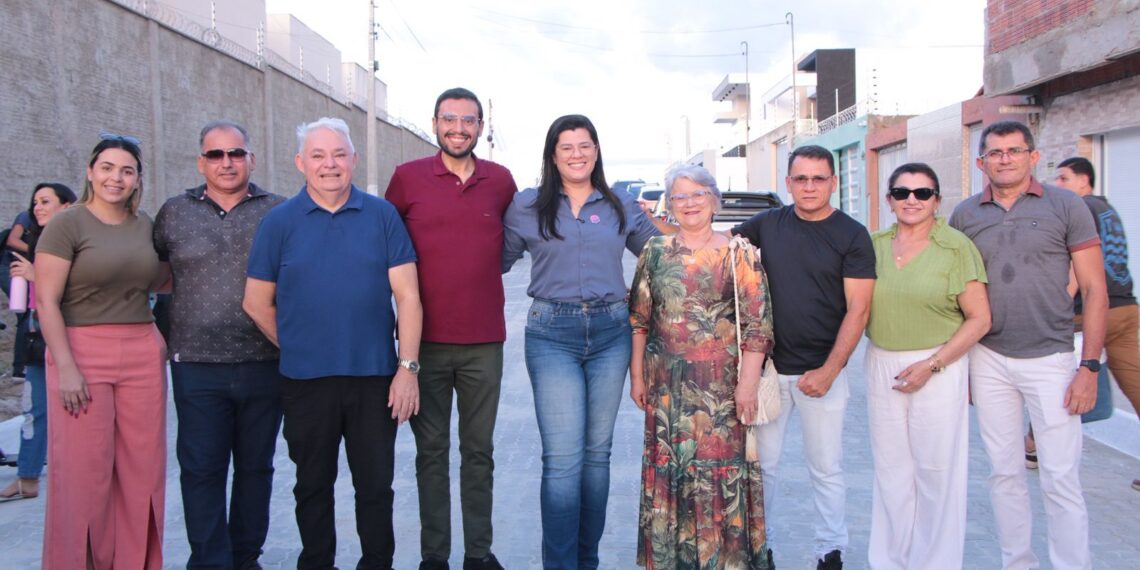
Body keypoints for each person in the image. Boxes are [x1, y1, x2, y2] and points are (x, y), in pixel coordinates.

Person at [243, 117, 422, 570]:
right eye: (319, 156)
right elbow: (255, 301)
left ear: (354, 160)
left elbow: (409, 296)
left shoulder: (381, 215)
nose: (330, 165)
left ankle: (376, 563)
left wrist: (407, 369)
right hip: (306, 381)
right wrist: (299, 343)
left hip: (374, 379)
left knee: (376, 487)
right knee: (312, 486)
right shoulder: (278, 222)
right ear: (301, 163)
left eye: (339, 154)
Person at [502, 114, 659, 569]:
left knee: (597, 457)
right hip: (552, 334)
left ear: (596, 151)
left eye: (585, 145)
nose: (577, 154)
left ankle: (585, 561)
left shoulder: (619, 204)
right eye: (567, 146)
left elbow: (664, 253)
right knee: (563, 461)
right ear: (553, 154)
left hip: (612, 332)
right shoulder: (527, 205)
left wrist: (723, 239)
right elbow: (494, 259)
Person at [949, 120, 1107, 570]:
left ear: (1033, 157)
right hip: (988, 359)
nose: (1005, 159)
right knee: (1004, 474)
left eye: (1014, 151)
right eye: (995, 152)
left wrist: (1089, 367)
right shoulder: (965, 214)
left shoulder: (1067, 205)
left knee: (1060, 477)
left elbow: (1095, 288)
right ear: (981, 162)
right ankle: (1018, 563)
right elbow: (958, 293)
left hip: (1053, 358)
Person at [386, 87, 516, 570]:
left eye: (468, 120)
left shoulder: (500, 181)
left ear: (481, 127)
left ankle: (478, 555)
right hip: (425, 343)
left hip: (485, 342)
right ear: (435, 123)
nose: (458, 128)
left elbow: (513, 243)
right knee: (431, 453)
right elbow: (388, 248)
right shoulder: (407, 178)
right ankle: (434, 557)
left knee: (478, 452)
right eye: (449, 119)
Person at [731, 144, 875, 570]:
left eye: (818, 178)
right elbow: (715, 245)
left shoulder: (851, 235)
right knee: (764, 471)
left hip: (822, 374)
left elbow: (859, 309)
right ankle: (763, 548)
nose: (809, 186)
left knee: (826, 469)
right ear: (788, 182)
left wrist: (831, 370)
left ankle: (830, 552)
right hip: (770, 374)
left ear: (833, 182)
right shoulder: (766, 225)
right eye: (800, 178)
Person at [154, 120, 286, 569]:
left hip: (264, 361)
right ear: (201, 162)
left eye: (235, 153)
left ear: (252, 158)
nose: (226, 162)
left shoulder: (279, 211)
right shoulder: (174, 211)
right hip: (195, 365)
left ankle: (246, 558)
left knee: (256, 470)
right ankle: (210, 561)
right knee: (201, 471)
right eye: (216, 155)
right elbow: (153, 273)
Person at [629, 165, 774, 569]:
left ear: (713, 199)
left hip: (722, 395)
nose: (689, 203)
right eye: (680, 196)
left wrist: (746, 388)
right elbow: (640, 318)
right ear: (670, 205)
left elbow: (758, 327)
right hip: (666, 393)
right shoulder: (655, 252)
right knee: (672, 478)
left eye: (698, 194)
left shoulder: (738, 252)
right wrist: (637, 375)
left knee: (717, 480)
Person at [35, 133, 169, 568]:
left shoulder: (145, 225)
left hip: (141, 353)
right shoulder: (67, 224)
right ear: (91, 172)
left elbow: (159, 281)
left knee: (141, 473)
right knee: (84, 474)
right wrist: (67, 368)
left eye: (127, 170)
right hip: (80, 352)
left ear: (137, 179)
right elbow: (46, 301)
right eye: (108, 168)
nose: (117, 177)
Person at [863, 163, 991, 569]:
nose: (911, 200)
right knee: (891, 470)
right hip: (881, 363)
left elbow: (980, 319)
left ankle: (935, 562)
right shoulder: (874, 245)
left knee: (936, 471)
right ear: (889, 200)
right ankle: (889, 561)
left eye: (922, 193)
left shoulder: (956, 247)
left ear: (937, 200)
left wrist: (932, 364)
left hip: (937, 365)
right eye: (902, 193)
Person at [1054, 156, 1140, 490]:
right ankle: (1034, 445)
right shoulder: (1106, 209)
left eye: (1064, 178)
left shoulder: (1082, 208)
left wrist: (1061, 301)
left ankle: (1034, 446)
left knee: (1059, 378)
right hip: (1125, 309)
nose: (1058, 185)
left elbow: (1078, 263)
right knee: (1135, 386)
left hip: (1091, 313)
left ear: (1083, 182)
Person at [0, 183, 77, 503]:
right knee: (34, 408)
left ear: (67, 206)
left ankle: (77, 474)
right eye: (35, 203)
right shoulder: (35, 242)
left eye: (46, 201)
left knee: (75, 409)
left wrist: (36, 276)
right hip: (36, 335)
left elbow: (83, 288)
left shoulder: (78, 241)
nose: (38, 208)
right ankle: (28, 476)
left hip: (71, 337)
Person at [5, 207, 35, 380]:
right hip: (11, 267)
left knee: (28, 313)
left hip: (28, 269)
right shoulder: (27, 216)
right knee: (24, 312)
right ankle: (20, 367)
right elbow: (13, 240)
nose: (40, 207)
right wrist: (38, 249)